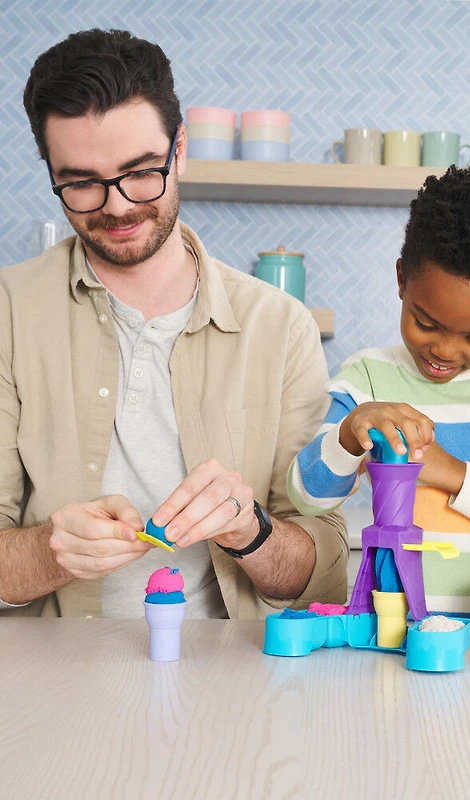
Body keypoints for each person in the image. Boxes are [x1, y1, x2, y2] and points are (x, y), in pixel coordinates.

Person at [0, 29, 347, 618]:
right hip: (47, 683)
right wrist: (53, 552)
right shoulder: (8, 312)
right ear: (50, 171)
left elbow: (322, 577)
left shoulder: (280, 328)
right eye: (81, 182)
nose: (115, 205)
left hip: (227, 685)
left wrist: (252, 532)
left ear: (179, 148)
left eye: (140, 172)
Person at [287, 165, 470, 614]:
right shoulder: (369, 379)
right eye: (426, 323)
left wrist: (451, 473)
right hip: (400, 635)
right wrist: (350, 433)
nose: (445, 351)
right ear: (400, 280)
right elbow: (308, 498)